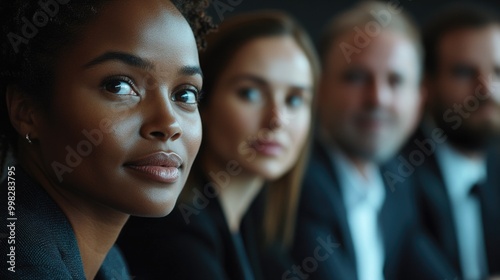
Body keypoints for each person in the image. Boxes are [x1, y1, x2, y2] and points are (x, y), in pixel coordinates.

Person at [0, 1, 213, 279]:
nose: (169, 124)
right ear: (26, 111)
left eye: (185, 95)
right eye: (119, 86)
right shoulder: (22, 262)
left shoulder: (109, 263)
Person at [118, 11, 319, 280]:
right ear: (203, 103)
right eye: (250, 93)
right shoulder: (175, 231)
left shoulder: (251, 229)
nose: (276, 120)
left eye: (294, 100)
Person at [290, 1, 456, 280]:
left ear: (419, 100)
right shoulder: (298, 186)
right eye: (356, 77)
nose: (378, 98)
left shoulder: (396, 180)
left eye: (395, 80)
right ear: (319, 88)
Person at [402, 4, 500, 279]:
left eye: (498, 71)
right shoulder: (398, 174)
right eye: (465, 72)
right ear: (427, 84)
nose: (486, 88)